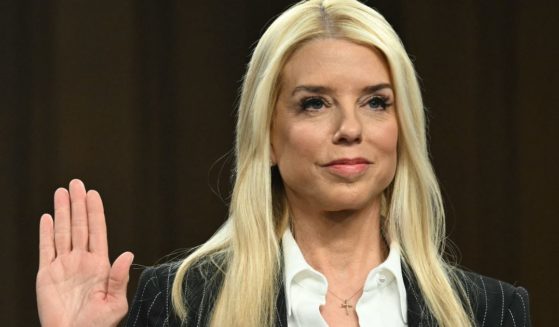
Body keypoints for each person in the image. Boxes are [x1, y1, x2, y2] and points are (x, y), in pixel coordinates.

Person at [36, 0, 531, 326]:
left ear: (404, 130)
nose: (350, 129)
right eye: (314, 103)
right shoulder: (181, 305)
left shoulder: (492, 310)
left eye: (377, 102)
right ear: (267, 136)